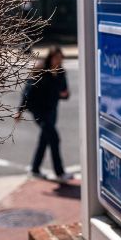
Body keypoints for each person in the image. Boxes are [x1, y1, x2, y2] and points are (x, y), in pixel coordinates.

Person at [15, 46, 70, 182]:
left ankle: (34, 169)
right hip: (39, 111)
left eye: (60, 57)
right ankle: (60, 173)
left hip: (52, 110)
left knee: (44, 140)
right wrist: (19, 111)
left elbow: (64, 92)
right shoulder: (40, 71)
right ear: (50, 58)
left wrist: (64, 94)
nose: (58, 60)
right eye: (55, 57)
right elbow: (28, 91)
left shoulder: (61, 72)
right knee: (54, 139)